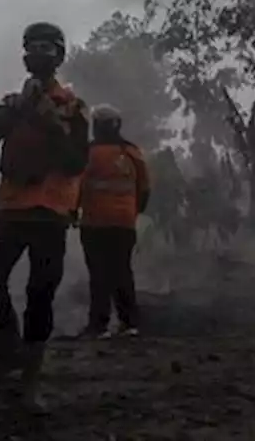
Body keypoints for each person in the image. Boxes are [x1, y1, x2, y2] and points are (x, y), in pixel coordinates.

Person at [0, 21, 90, 411]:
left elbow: (77, 163)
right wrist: (19, 109)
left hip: (51, 213)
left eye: (46, 47)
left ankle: (30, 382)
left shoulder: (73, 108)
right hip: (11, 208)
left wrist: (50, 123)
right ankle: (7, 352)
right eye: (32, 47)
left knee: (40, 295)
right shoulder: (12, 102)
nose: (38, 53)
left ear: (59, 56)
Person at [76, 104, 150, 339]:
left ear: (96, 127)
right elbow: (145, 188)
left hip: (94, 223)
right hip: (124, 223)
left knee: (98, 275)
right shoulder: (132, 152)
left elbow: (76, 187)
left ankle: (99, 326)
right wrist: (133, 212)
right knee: (122, 272)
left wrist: (71, 212)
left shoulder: (87, 153)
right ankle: (130, 324)